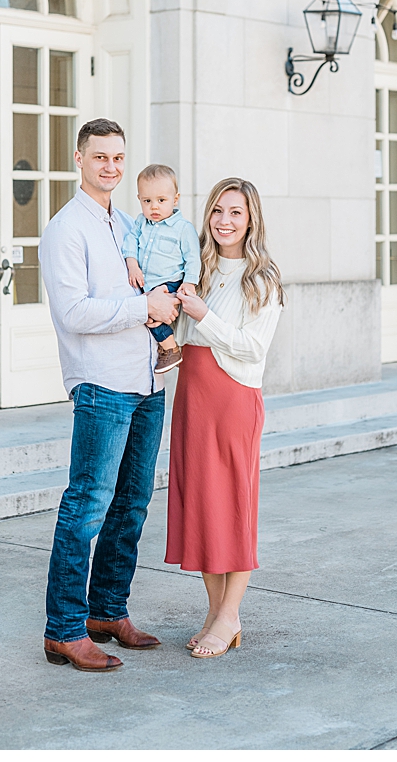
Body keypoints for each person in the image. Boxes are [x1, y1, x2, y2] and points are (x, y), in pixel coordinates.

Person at [39, 118, 181, 672]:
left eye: (119, 157)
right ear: (79, 159)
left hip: (147, 382)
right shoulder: (65, 229)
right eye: (100, 156)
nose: (111, 167)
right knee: (87, 506)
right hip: (101, 384)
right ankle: (64, 630)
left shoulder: (129, 222)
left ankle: (106, 611)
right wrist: (144, 307)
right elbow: (74, 312)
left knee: (132, 504)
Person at [165, 177, 284, 659]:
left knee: (232, 507)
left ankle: (231, 614)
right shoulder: (198, 269)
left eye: (235, 212)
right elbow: (179, 332)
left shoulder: (262, 279)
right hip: (192, 395)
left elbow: (252, 347)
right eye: (217, 210)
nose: (224, 221)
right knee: (201, 506)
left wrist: (202, 314)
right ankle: (217, 615)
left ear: (251, 220)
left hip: (233, 399)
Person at [122, 163, 201, 373]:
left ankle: (170, 348)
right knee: (145, 313)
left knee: (153, 316)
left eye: (161, 200)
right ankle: (164, 346)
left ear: (175, 199)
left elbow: (193, 258)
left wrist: (189, 283)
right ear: (139, 199)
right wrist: (132, 264)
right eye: (147, 201)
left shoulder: (183, 229)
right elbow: (130, 241)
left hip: (170, 281)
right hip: (147, 282)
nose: (154, 207)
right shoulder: (141, 222)